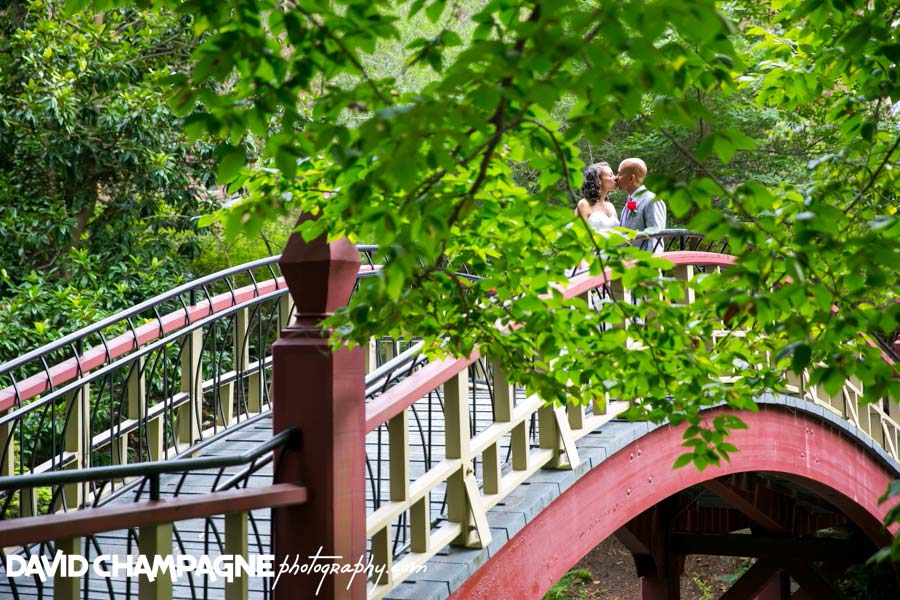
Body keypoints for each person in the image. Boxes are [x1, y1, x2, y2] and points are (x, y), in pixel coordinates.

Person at [616, 157, 666, 251]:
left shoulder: (652, 200)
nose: (616, 178)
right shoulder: (629, 201)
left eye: (619, 174)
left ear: (631, 178)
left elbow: (655, 241)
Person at [576, 162, 618, 233]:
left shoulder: (610, 206)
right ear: (598, 180)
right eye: (610, 175)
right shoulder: (584, 204)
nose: (616, 178)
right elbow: (579, 234)